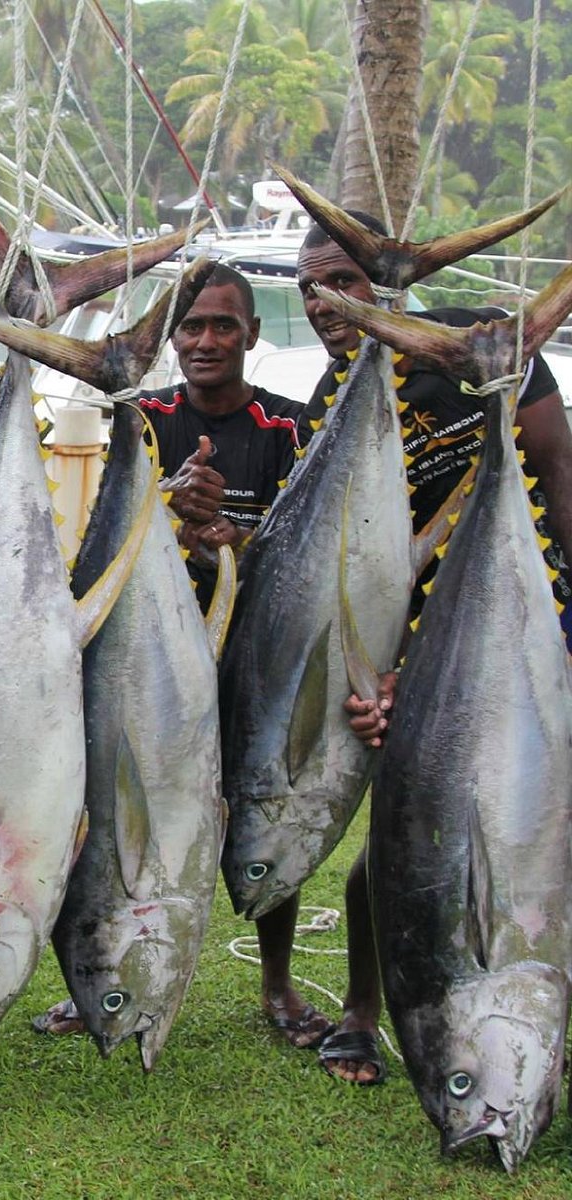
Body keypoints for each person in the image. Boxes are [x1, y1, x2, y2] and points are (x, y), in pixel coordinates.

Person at [253, 212, 572, 1086]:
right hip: (410, 660)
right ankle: (362, 1009)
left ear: (386, 288)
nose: (324, 304)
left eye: (345, 284)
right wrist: (374, 672)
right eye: (310, 288)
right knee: (400, 839)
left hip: (519, 617)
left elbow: (554, 462)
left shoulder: (467, 344)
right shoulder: (331, 401)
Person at [31, 262, 305, 1037]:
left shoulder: (288, 426)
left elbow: (302, 554)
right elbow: (98, 541)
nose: (206, 340)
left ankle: (278, 988)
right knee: (108, 806)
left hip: (250, 650)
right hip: (139, 661)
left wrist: (233, 537)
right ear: (172, 339)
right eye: (191, 326)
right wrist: (163, 501)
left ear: (252, 334)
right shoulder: (140, 419)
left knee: (258, 812)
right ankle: (97, 968)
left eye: (224, 325)